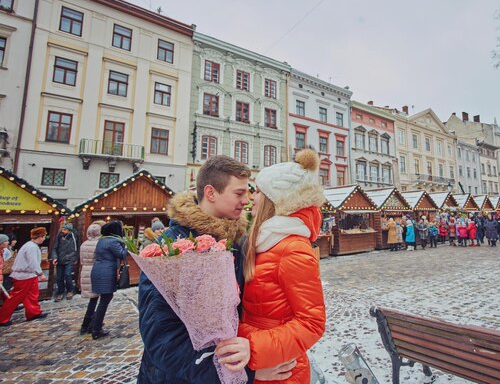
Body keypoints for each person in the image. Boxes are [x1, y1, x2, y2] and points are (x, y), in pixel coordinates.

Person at [138, 155, 288, 384]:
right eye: (239, 193)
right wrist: (243, 375)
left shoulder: (236, 243)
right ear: (211, 193)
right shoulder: (169, 249)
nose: (247, 200)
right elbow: (161, 340)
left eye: (248, 192)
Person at [239, 148, 326, 384]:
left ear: (274, 198)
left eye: (257, 191)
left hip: (281, 371)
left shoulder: (292, 248)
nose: (251, 198)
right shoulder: (264, 241)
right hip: (258, 366)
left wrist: (251, 346)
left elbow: (312, 323)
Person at [0, 227, 49, 326]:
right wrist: (40, 273)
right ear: (39, 236)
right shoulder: (31, 247)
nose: (44, 239)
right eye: (43, 236)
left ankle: (33, 312)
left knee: (31, 295)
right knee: (15, 297)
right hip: (25, 275)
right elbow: (33, 262)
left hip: (28, 274)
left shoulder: (30, 245)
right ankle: (2, 318)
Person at [90, 220, 128, 339]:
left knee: (103, 299)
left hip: (98, 270)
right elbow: (122, 254)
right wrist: (129, 246)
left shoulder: (102, 240)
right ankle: (96, 328)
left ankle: (94, 324)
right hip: (106, 272)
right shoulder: (113, 241)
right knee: (105, 299)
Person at [79, 221, 105, 335]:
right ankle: (89, 324)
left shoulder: (84, 244)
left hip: (85, 271)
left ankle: (88, 323)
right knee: (96, 299)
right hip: (96, 271)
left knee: (92, 299)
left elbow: (81, 260)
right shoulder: (99, 244)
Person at [51, 222, 79, 301]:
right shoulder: (59, 236)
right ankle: (60, 291)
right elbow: (54, 248)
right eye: (62, 229)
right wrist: (55, 257)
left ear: (69, 230)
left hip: (70, 258)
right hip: (60, 258)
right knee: (59, 277)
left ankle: (70, 290)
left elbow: (78, 247)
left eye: (65, 229)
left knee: (67, 274)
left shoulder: (74, 236)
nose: (63, 231)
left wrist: (76, 257)